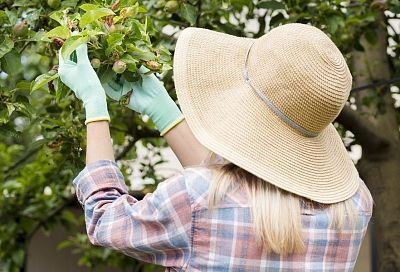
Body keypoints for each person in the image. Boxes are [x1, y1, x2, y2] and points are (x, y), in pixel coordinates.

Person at [58, 23, 373, 271]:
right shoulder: (354, 207)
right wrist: (162, 111)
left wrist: (94, 104)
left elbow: (104, 218)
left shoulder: (195, 198)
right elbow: (229, 191)